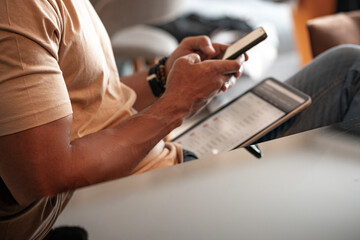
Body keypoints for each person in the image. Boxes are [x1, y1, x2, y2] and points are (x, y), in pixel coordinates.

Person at [0, 1, 359, 240]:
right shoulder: (19, 10)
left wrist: (162, 77)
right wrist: (178, 102)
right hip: (129, 195)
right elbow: (46, 174)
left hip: (161, 153)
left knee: (345, 64)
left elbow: (93, 98)